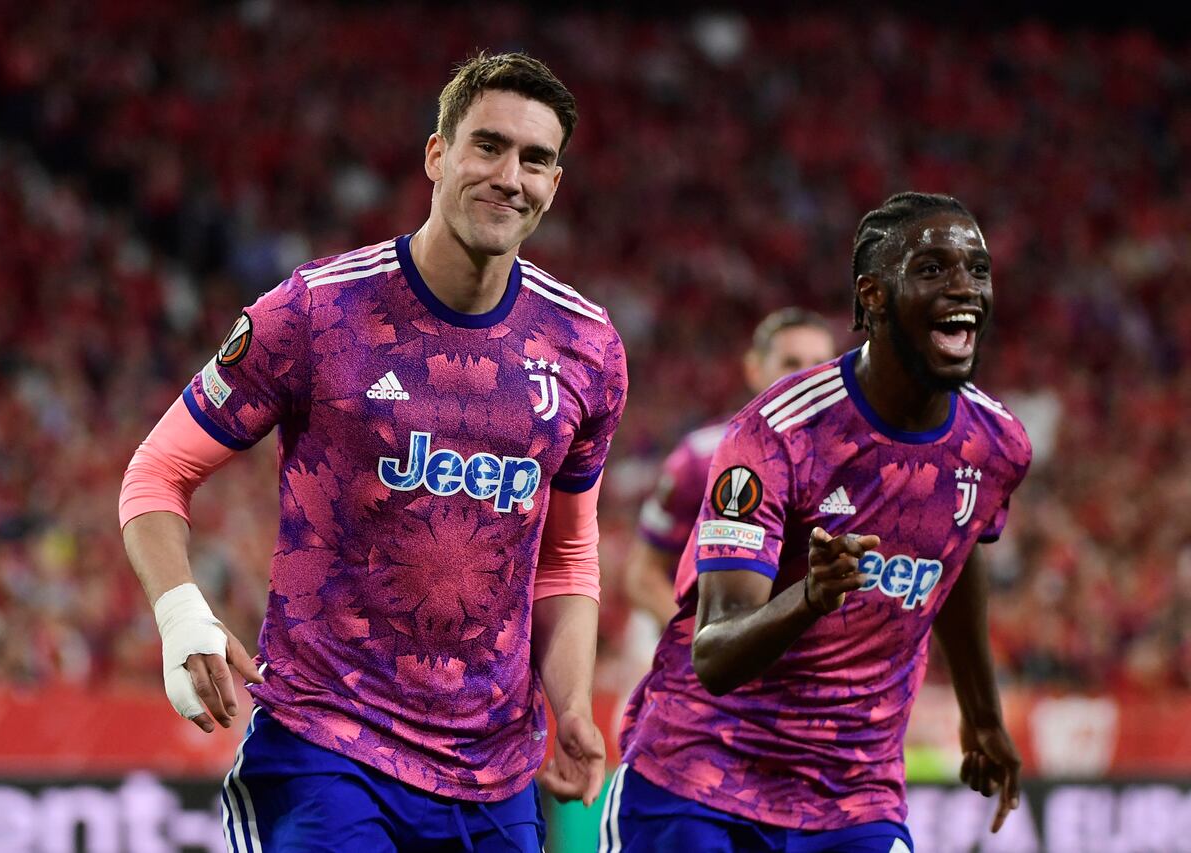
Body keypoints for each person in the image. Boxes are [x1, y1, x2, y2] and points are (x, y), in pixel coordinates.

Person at [119, 52, 627, 852]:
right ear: (437, 154)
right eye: (488, 145)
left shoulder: (587, 348)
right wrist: (182, 615)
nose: (510, 176)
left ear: (554, 184)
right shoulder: (316, 313)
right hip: (327, 751)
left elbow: (567, 556)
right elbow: (158, 472)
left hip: (495, 776)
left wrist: (569, 706)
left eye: (535, 159)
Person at [603, 192, 1030, 853]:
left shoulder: (996, 443)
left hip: (853, 794)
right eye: (933, 269)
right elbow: (714, 655)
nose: (963, 288)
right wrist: (811, 596)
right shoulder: (775, 432)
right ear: (875, 295)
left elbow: (961, 542)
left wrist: (982, 715)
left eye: (976, 269)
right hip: (703, 776)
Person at [625, 308, 836, 628]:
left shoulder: (855, 462)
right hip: (708, 647)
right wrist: (703, 648)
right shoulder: (700, 458)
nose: (805, 379)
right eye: (790, 363)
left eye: (819, 366)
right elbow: (643, 574)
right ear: (754, 369)